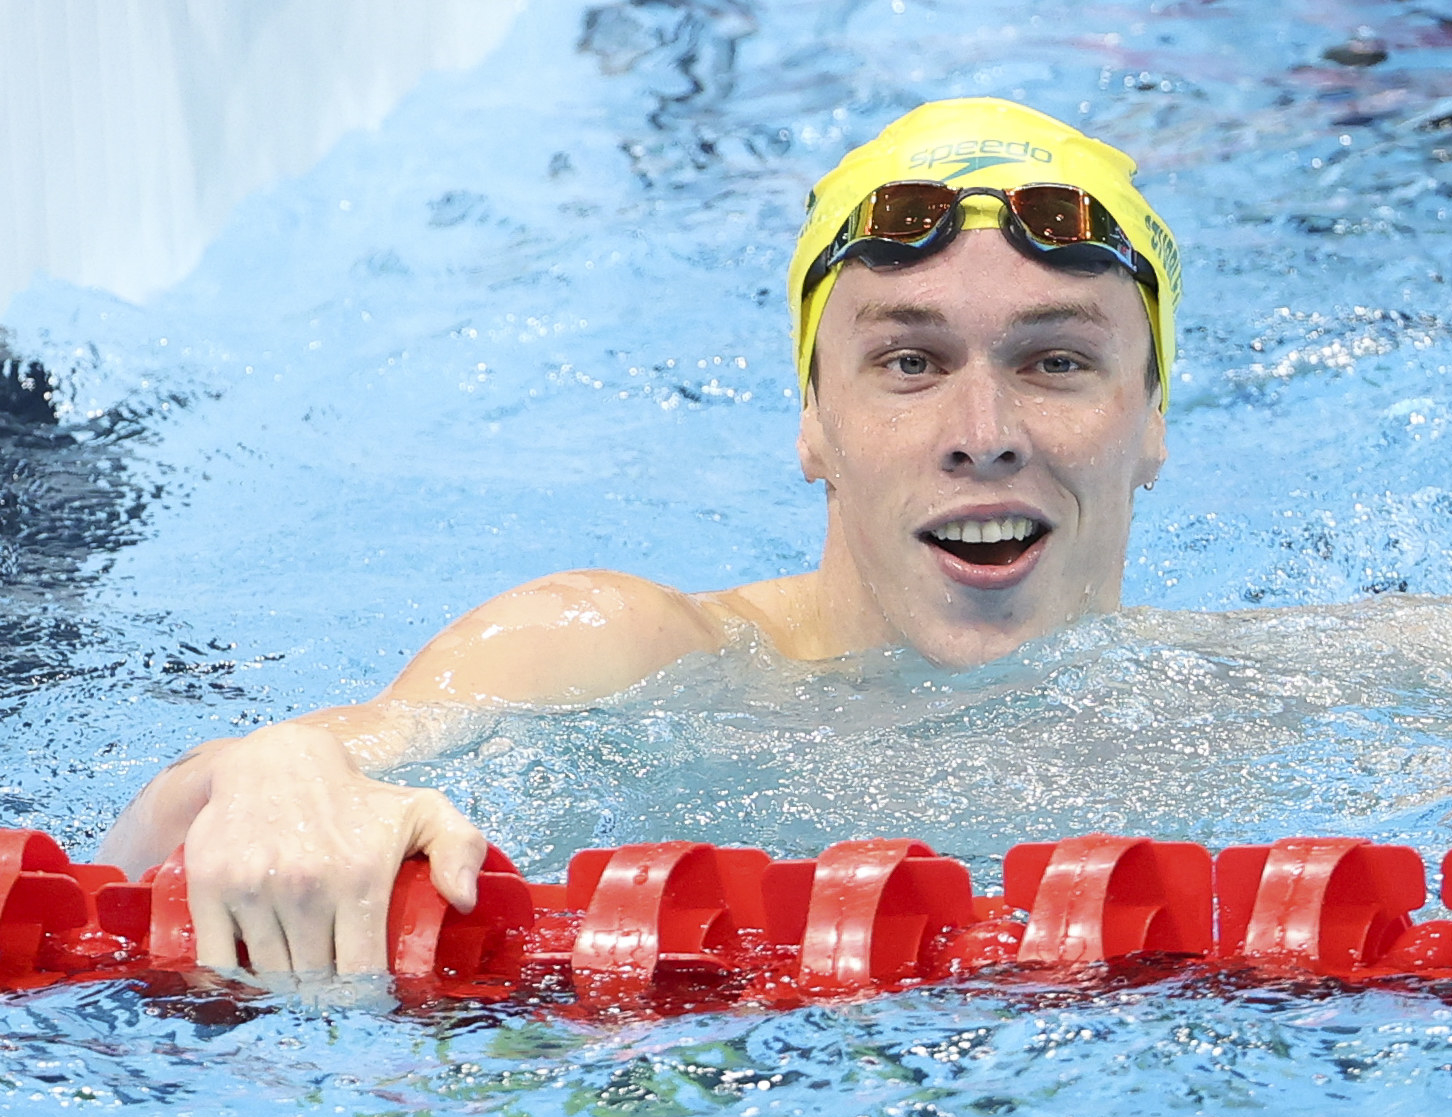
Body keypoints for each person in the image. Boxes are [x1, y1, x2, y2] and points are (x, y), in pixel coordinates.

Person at [96, 97, 1184, 976]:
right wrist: (277, 765)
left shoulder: (1295, 694)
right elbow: (162, 836)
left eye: (1055, 362)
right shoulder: (619, 650)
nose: (981, 438)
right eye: (909, 363)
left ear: (1152, 417)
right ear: (813, 420)